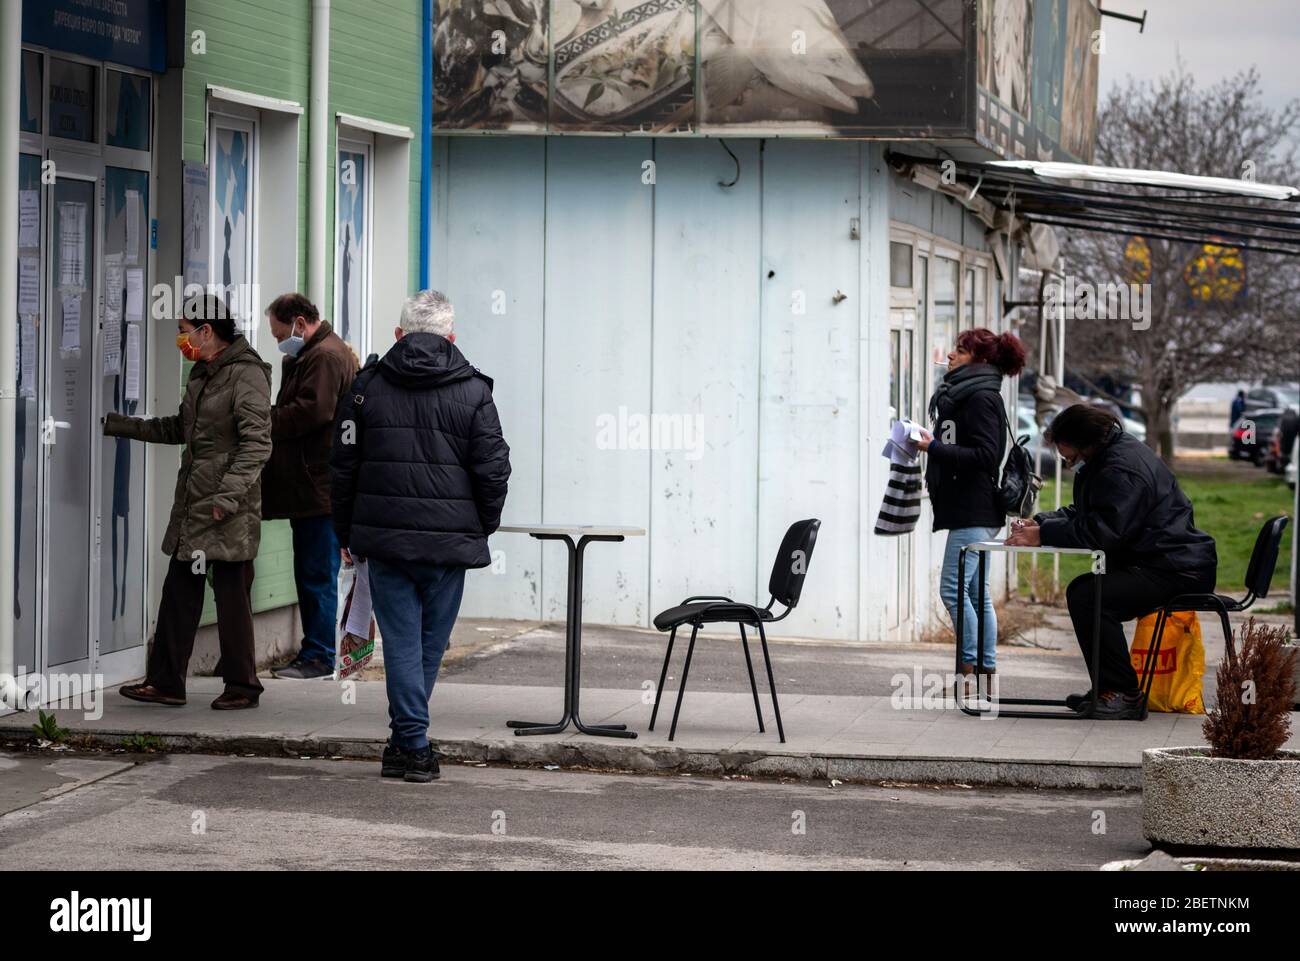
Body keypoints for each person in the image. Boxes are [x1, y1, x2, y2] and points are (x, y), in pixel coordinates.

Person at [332, 290, 511, 782]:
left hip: (386, 544)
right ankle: (411, 743)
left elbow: (342, 467)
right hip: (449, 545)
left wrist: (344, 532)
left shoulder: (365, 387)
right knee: (429, 644)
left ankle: (405, 742)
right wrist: (481, 526)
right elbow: (494, 470)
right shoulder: (475, 392)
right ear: (451, 338)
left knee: (406, 643)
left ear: (398, 334)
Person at [106, 295, 272, 710]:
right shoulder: (203, 373)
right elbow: (182, 428)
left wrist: (228, 496)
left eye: (184, 330)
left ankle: (242, 686)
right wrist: (121, 425)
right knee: (180, 590)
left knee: (232, 595)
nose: (181, 338)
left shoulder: (245, 375)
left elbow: (257, 444)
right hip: (196, 504)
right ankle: (165, 682)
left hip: (227, 509)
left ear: (206, 331)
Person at [1005, 404, 1217, 720]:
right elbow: (1091, 511)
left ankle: (1122, 693)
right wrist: (1041, 522)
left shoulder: (1121, 468)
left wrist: (1043, 534)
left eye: (1069, 458)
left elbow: (1105, 531)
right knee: (1087, 593)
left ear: (1085, 443)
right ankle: (1110, 687)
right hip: (1166, 561)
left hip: (1178, 569)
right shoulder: (1110, 456)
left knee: (1091, 597)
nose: (1066, 464)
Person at [916, 327, 1026, 686]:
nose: (950, 356)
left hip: (974, 509)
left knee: (952, 588)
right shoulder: (965, 395)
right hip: (970, 508)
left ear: (979, 361)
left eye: (960, 351)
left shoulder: (981, 399)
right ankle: (985, 670)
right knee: (976, 592)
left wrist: (933, 448)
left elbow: (985, 456)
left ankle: (970, 667)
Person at [261, 293, 359, 679]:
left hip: (318, 485)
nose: (278, 340)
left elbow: (313, 411)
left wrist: (264, 420)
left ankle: (319, 655)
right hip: (312, 484)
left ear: (300, 323)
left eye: (279, 332)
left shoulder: (324, 356)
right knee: (311, 571)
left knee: (317, 572)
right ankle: (316, 651)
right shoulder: (311, 354)